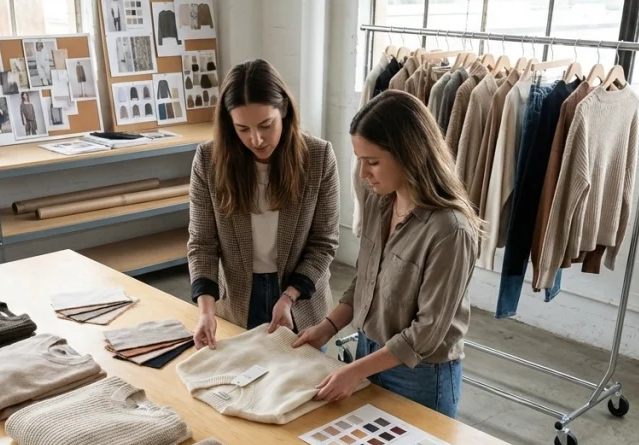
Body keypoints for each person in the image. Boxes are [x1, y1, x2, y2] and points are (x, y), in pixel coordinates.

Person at [293, 90, 482, 418]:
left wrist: (355, 371)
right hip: (367, 352)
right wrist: (327, 327)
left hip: (420, 376)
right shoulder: (380, 201)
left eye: (373, 162)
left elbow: (427, 332)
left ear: (410, 154)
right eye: (360, 161)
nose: (364, 174)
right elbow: (366, 281)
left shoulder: (451, 230)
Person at [188, 59, 340, 349]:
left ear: (283, 109)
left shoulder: (318, 157)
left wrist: (289, 297)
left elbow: (324, 241)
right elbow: (202, 242)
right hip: (236, 298)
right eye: (242, 129)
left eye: (266, 125)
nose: (256, 139)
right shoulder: (209, 161)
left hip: (301, 299)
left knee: (299, 387)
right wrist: (206, 312)